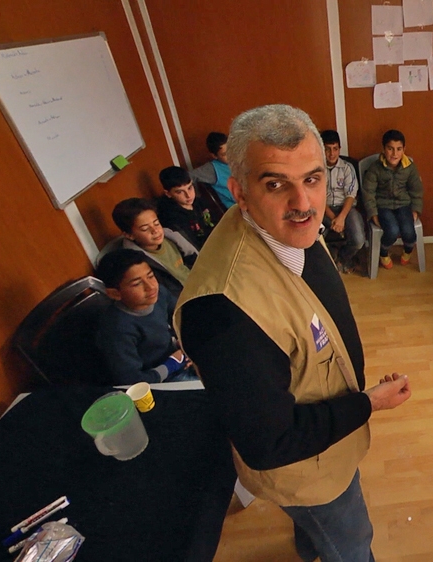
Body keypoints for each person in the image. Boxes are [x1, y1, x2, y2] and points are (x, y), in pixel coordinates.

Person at [174, 104, 411, 562]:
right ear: (239, 192)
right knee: (352, 543)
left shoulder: (283, 227)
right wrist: (369, 403)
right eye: (276, 183)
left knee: (317, 528)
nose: (303, 203)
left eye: (312, 178)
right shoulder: (224, 316)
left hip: (324, 443)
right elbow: (270, 445)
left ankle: (310, 544)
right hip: (306, 469)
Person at [94, 249, 196, 385]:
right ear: (114, 294)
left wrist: (186, 344)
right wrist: (172, 365)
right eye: (137, 284)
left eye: (150, 276)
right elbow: (131, 380)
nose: (151, 286)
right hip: (159, 379)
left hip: (179, 357)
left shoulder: (159, 294)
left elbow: (181, 316)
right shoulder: (117, 329)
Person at [108, 197, 198, 299]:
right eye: (145, 229)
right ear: (129, 235)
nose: (155, 230)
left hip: (199, 285)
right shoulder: (139, 263)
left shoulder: (171, 237)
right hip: (185, 298)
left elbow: (195, 259)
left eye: (156, 223)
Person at [361, 129, 423, 269]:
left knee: (409, 232)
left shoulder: (410, 168)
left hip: (404, 205)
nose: (394, 154)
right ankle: (383, 252)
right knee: (392, 231)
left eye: (399, 149)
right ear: (383, 149)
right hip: (383, 206)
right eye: (390, 149)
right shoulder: (375, 168)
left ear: (404, 149)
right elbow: (368, 192)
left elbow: (416, 190)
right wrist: (373, 214)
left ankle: (408, 250)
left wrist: (416, 210)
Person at [320, 129, 365, 273]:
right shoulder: (316, 169)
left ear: (339, 149)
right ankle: (328, 262)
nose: (331, 153)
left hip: (346, 209)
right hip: (323, 210)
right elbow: (317, 196)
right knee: (315, 239)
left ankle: (342, 258)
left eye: (335, 149)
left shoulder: (347, 168)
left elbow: (351, 195)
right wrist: (334, 218)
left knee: (358, 240)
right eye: (327, 149)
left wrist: (341, 217)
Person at [156, 166, 217, 249]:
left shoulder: (199, 202)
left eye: (189, 188)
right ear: (168, 193)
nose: (188, 195)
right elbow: (191, 246)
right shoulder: (171, 218)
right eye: (180, 192)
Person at [191, 131, 235, 209]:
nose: (230, 155)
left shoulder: (238, 160)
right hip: (236, 209)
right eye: (224, 154)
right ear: (214, 156)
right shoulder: (212, 169)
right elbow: (188, 177)